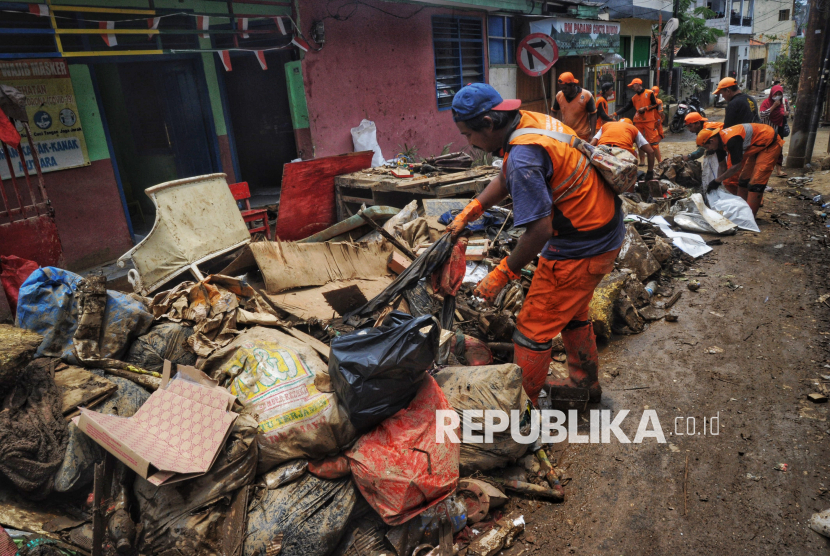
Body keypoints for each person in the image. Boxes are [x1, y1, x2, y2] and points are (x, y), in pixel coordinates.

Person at [447, 83, 623, 404]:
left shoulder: (524, 156)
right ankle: (584, 384)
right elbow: (505, 177)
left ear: (488, 122)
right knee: (571, 311)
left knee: (531, 329)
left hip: (580, 244)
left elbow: (539, 231)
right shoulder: (527, 122)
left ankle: (522, 411)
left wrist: (500, 275)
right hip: (602, 228)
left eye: (468, 135)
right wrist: (472, 210)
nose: (469, 143)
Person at [698, 123, 784, 215]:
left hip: (769, 142)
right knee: (743, 181)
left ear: (711, 141)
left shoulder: (732, 140)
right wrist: (717, 183)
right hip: (756, 145)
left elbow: (737, 166)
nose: (708, 149)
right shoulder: (718, 144)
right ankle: (741, 211)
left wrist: (717, 180)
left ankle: (749, 216)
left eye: (707, 147)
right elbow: (722, 166)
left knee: (756, 183)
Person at [613, 78, 659, 167]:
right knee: (639, 141)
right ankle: (642, 160)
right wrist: (615, 114)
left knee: (653, 142)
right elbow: (626, 108)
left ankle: (659, 161)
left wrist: (645, 108)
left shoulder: (649, 93)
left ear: (638, 84)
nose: (632, 87)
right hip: (638, 121)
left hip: (649, 121)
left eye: (633, 85)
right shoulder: (634, 98)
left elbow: (655, 104)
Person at [590, 118, 656, 179]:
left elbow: (591, 144)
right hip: (622, 155)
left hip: (602, 153)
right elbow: (651, 152)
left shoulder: (606, 125)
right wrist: (650, 173)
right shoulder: (633, 128)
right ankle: (630, 188)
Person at [552, 72, 598, 142]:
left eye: (565, 88)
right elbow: (553, 112)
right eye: (562, 88)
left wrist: (592, 134)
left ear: (572, 85)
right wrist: (551, 128)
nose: (563, 91)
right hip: (566, 135)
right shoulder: (559, 96)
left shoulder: (586, 95)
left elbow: (593, 114)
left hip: (582, 135)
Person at [759, 83, 790, 178]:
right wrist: (773, 107)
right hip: (767, 130)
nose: (777, 97)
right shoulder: (766, 103)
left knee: (778, 149)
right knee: (766, 149)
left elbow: (788, 111)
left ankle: (779, 170)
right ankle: (763, 169)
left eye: (779, 94)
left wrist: (787, 113)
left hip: (779, 129)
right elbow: (762, 115)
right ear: (771, 94)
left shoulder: (784, 102)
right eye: (775, 94)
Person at [651, 86, 665, 162]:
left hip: (649, 122)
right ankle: (659, 160)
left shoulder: (647, 100)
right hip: (657, 121)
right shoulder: (658, 101)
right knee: (660, 135)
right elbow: (660, 112)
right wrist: (663, 117)